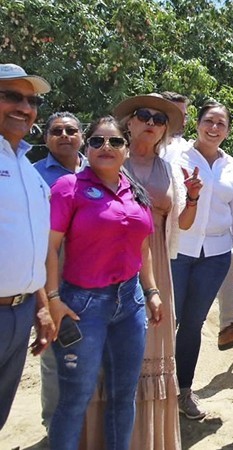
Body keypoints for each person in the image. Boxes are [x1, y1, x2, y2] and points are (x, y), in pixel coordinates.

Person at [46, 116, 163, 449]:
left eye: (115, 142)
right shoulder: (68, 188)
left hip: (130, 304)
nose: (106, 147)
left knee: (124, 395)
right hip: (82, 306)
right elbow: (50, 248)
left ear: (126, 149)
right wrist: (53, 299)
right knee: (75, 397)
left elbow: (143, 247)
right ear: (88, 147)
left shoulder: (133, 189)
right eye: (97, 141)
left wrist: (151, 290)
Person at [113, 93, 199, 447]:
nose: (151, 122)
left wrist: (193, 197)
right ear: (129, 122)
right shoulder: (110, 159)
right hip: (116, 263)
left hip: (159, 263)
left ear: (165, 130)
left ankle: (151, 438)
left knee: (155, 345)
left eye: (159, 119)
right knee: (118, 350)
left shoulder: (168, 170)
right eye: (143, 115)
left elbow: (183, 223)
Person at [168, 101, 233, 420]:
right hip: (177, 250)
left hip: (215, 256)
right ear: (197, 124)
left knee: (192, 324)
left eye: (221, 123)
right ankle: (151, 389)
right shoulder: (176, 156)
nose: (214, 128)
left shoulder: (230, 165)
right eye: (209, 121)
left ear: (228, 130)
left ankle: (184, 392)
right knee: (166, 323)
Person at [0, 63, 56, 430]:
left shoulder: (27, 167)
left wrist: (40, 305)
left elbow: (32, 240)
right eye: (12, 97)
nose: (24, 107)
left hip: (20, 314)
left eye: (31, 100)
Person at [33, 111, 87, 429]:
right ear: (46, 138)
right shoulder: (35, 175)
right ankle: (54, 427)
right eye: (57, 131)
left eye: (71, 130)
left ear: (81, 135)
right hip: (53, 279)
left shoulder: (100, 168)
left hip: (95, 279)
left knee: (91, 355)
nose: (65, 135)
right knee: (56, 358)